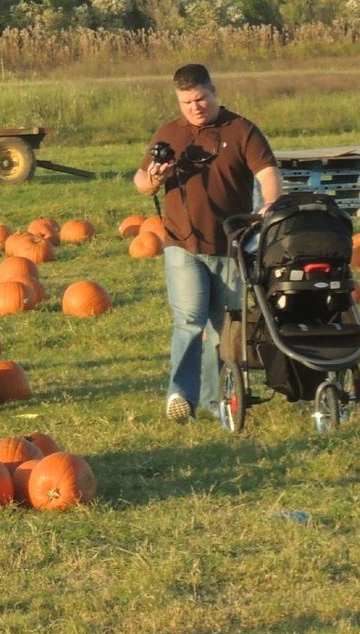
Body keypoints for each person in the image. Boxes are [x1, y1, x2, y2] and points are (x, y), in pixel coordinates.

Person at [134, 63, 282, 423]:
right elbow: (140, 180)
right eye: (186, 102)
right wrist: (154, 178)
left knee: (224, 327)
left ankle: (218, 400)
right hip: (181, 244)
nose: (195, 107)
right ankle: (179, 396)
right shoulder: (169, 133)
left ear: (214, 91)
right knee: (189, 319)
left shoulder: (241, 129)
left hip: (231, 245)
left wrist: (269, 207)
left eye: (200, 99)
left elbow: (268, 173)